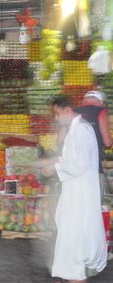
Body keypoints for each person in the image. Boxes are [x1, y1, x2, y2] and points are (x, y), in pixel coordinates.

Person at [41, 95, 107, 283]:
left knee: (74, 235)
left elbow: (79, 164)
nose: (56, 119)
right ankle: (71, 273)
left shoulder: (80, 130)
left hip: (80, 193)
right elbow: (75, 159)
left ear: (68, 110)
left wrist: (55, 167)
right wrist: (55, 161)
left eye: (57, 114)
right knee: (72, 232)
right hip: (76, 190)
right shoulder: (78, 128)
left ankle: (75, 276)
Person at [75, 90, 113, 180]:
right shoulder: (101, 111)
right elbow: (107, 142)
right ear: (100, 101)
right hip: (92, 162)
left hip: (74, 162)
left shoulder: (73, 112)